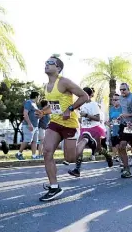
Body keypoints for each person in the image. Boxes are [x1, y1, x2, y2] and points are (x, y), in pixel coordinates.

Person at [34, 56, 89, 201]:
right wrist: (43, 112)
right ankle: (54, 187)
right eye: (45, 62)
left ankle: (86, 141)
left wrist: (69, 109)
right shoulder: (46, 86)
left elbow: (84, 96)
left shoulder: (64, 82)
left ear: (58, 68)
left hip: (69, 123)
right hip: (55, 123)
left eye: (50, 63)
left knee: (70, 158)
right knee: (47, 151)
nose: (46, 64)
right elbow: (53, 107)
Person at [68, 87, 113, 177]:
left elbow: (97, 118)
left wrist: (86, 115)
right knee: (80, 146)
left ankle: (108, 156)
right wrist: (81, 119)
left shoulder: (94, 105)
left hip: (94, 129)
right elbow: (81, 117)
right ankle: (77, 169)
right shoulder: (82, 105)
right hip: (84, 129)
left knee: (98, 149)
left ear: (87, 95)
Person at [117, 83, 132, 178]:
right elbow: (124, 111)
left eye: (124, 89)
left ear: (128, 89)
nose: (122, 91)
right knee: (121, 146)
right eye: (121, 89)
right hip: (124, 126)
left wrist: (128, 116)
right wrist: (121, 117)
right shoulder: (121, 98)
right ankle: (127, 168)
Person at [16, 91, 40, 160]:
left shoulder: (34, 104)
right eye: (39, 97)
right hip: (28, 125)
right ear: (36, 96)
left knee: (34, 141)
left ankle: (34, 156)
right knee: (27, 140)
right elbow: (25, 114)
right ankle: (19, 154)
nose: (39, 98)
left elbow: (35, 114)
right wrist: (30, 124)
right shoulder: (28, 102)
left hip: (35, 126)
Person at [108, 93, 122, 162]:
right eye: (113, 99)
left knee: (119, 143)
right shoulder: (111, 109)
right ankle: (114, 156)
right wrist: (108, 123)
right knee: (114, 142)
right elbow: (110, 120)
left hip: (121, 129)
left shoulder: (122, 108)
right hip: (114, 129)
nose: (114, 101)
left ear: (120, 100)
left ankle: (120, 156)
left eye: (116, 100)